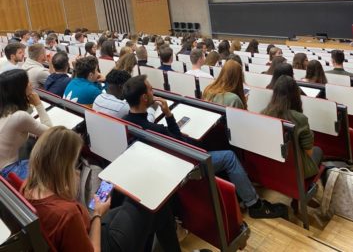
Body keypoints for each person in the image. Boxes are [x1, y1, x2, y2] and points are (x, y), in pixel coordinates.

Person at [123, 75, 288, 219]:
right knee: (229, 157)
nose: (154, 92)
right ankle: (254, 205)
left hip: (167, 163)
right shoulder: (155, 129)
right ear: (144, 98)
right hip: (187, 164)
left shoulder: (125, 121)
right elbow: (179, 140)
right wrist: (168, 114)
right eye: (151, 90)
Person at [23, 126, 181, 252]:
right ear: (63, 166)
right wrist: (97, 214)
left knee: (157, 210)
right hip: (100, 241)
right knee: (150, 199)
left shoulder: (27, 187)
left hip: (89, 231)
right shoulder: (67, 213)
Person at [262, 75, 322, 178]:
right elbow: (308, 151)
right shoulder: (300, 119)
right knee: (318, 150)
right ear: (296, 94)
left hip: (273, 167)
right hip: (297, 172)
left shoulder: (264, 113)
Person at [0, 69, 52, 180]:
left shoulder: (5, 109)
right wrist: (38, 104)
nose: (31, 84)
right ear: (19, 89)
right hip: (9, 171)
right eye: (27, 82)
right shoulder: (19, 117)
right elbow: (51, 132)